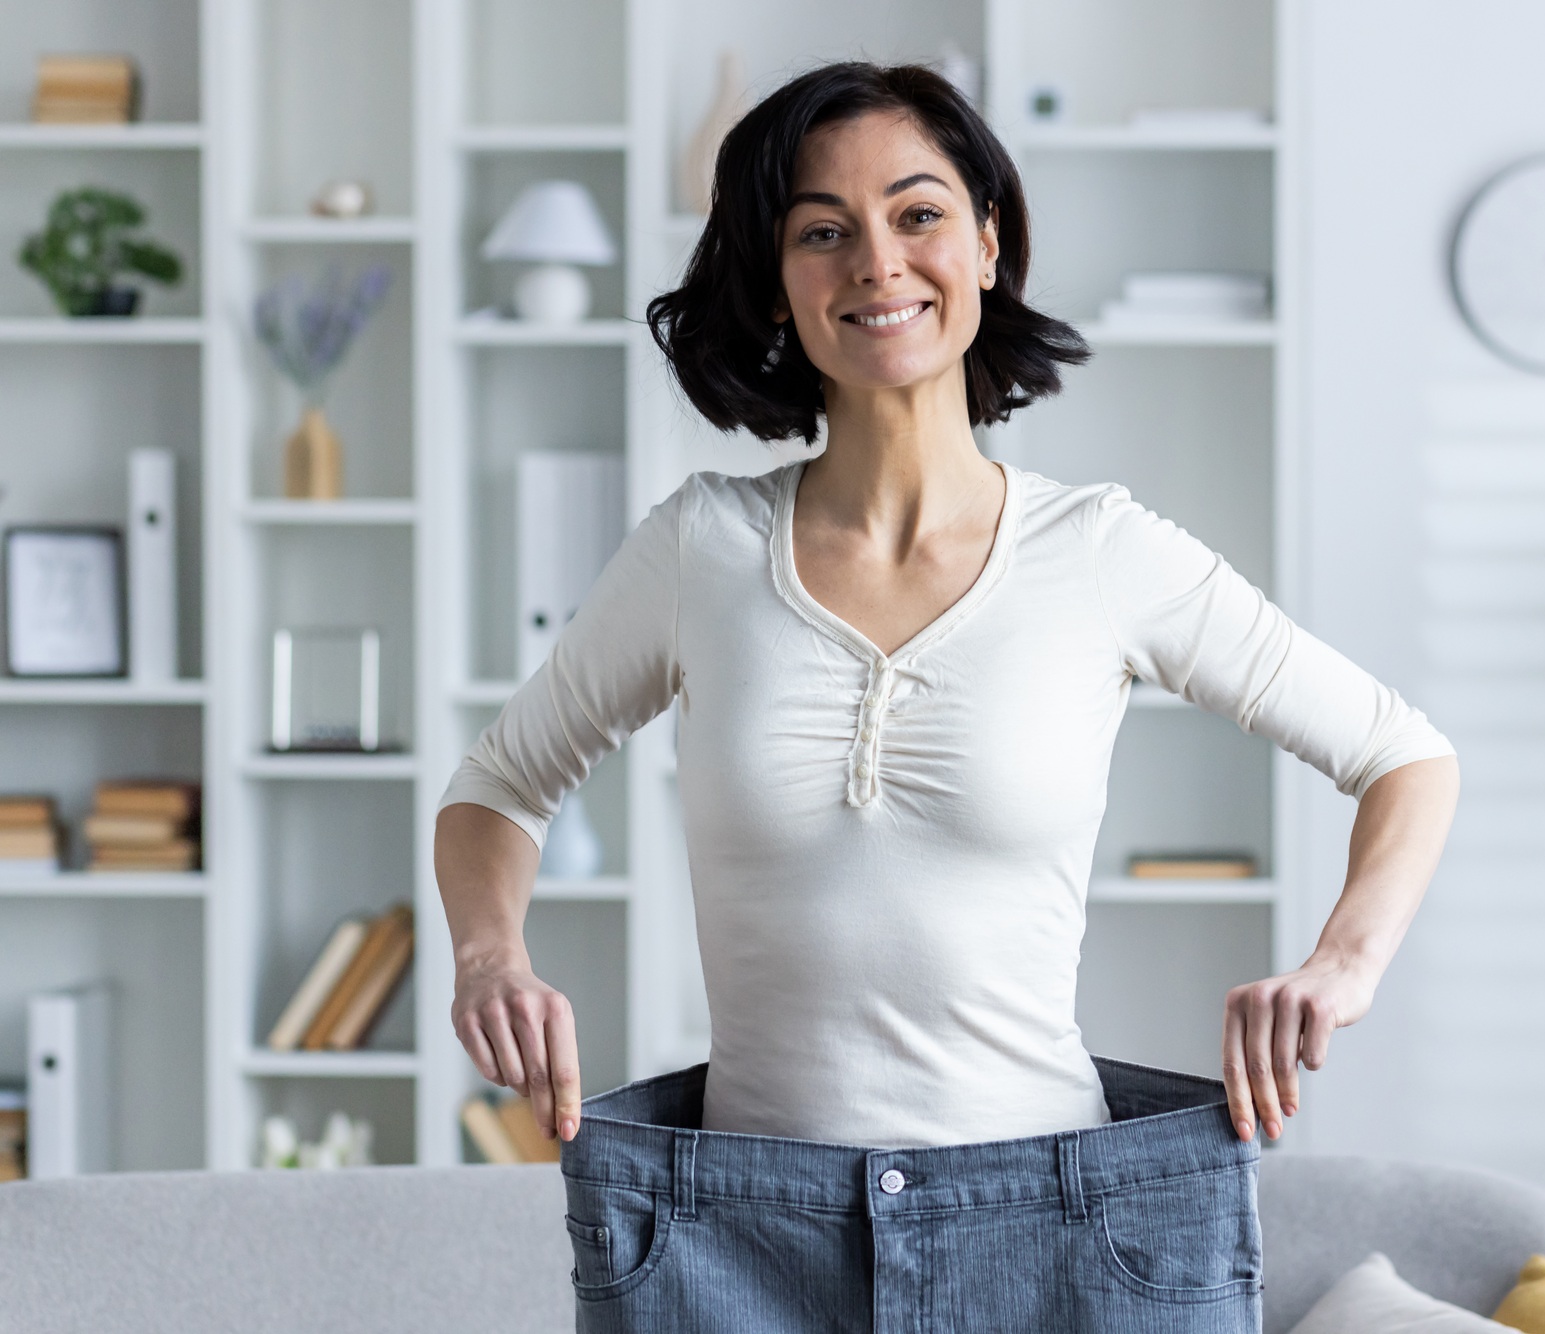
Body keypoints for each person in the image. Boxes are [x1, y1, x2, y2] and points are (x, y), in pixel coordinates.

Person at [435, 60, 1457, 1333]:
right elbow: (497, 783)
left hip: (1061, 1230)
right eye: (821, 230)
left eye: (915, 213)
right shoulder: (696, 549)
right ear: (776, 284)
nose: (875, 260)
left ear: (985, 242)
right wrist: (490, 955)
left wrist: (1341, 962)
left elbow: (1401, 756)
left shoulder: (1102, 551)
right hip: (744, 1241)